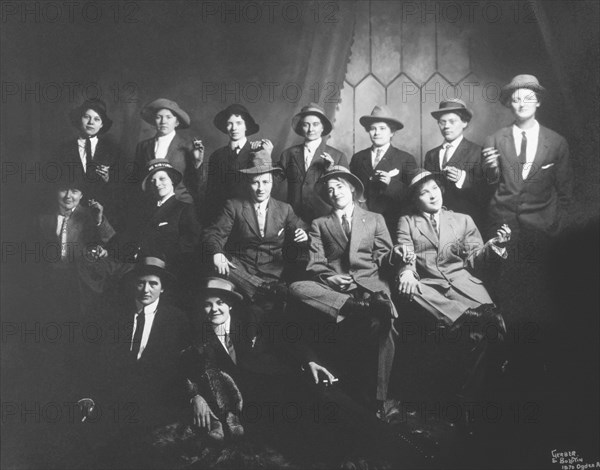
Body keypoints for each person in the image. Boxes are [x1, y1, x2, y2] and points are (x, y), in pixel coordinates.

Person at [395, 169, 510, 404]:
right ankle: (467, 316)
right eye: (424, 192)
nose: (432, 195)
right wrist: (407, 270)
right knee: (408, 288)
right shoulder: (407, 221)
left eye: (435, 189)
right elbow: (404, 251)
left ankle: (470, 398)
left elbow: (476, 259)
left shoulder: (463, 219)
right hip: (430, 287)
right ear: (415, 199)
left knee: (492, 332)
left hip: (464, 284)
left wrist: (495, 246)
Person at [289, 166, 398, 415]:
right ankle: (355, 308)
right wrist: (330, 278)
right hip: (337, 292)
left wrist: (397, 256)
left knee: (386, 325)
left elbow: (384, 257)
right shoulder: (319, 223)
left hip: (372, 287)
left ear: (351, 188)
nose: (334, 192)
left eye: (339, 186)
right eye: (329, 189)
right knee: (296, 288)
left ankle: (380, 399)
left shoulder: (374, 219)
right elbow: (315, 263)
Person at [202, 143, 308, 307]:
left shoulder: (285, 209)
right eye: (255, 182)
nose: (261, 188)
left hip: (273, 273)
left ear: (272, 182)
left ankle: (261, 289)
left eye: (265, 182)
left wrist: (304, 234)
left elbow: (304, 228)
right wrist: (217, 253)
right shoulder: (234, 205)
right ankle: (261, 288)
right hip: (241, 270)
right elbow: (212, 234)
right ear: (247, 183)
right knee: (221, 265)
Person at [482, 74, 573, 239]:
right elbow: (486, 188)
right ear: (510, 104)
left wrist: (557, 224)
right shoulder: (494, 139)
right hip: (503, 227)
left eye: (528, 99)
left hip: (544, 229)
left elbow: (565, 194)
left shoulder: (556, 142)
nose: (522, 104)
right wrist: (491, 171)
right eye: (516, 100)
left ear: (538, 102)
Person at [132, 159, 201, 295]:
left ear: (172, 181)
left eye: (162, 178)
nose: (158, 184)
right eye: (153, 181)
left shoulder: (184, 209)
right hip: (141, 269)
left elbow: (190, 245)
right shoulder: (144, 212)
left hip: (171, 271)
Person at [55, 99, 123, 228]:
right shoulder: (63, 150)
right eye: (87, 117)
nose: (91, 122)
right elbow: (57, 183)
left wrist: (109, 179)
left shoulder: (113, 150)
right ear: (79, 119)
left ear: (102, 124)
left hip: (104, 213)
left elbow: (123, 188)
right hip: (72, 213)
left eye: (97, 119)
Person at [132, 98, 206, 215]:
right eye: (158, 117)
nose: (163, 121)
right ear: (153, 121)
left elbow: (197, 185)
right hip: (150, 206)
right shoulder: (143, 147)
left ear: (177, 122)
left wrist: (197, 163)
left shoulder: (188, 146)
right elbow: (137, 179)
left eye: (168, 117)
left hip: (180, 205)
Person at [424, 99, 489, 230]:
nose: (447, 126)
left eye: (452, 121)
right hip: (436, 224)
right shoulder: (431, 155)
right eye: (442, 122)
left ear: (464, 123)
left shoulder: (478, 152)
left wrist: (462, 178)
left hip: (467, 222)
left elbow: (486, 192)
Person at [278, 103, 348, 224]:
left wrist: (330, 171)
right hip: (294, 220)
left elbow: (347, 191)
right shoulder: (288, 154)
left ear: (322, 127)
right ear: (301, 127)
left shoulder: (338, 156)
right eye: (306, 125)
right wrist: (263, 156)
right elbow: (270, 181)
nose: (311, 129)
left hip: (326, 220)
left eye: (316, 124)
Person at [350, 105, 417, 232]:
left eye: (382, 128)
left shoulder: (405, 158)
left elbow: (413, 195)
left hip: (392, 223)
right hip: (361, 223)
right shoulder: (358, 158)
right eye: (372, 129)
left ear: (392, 132)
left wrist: (390, 184)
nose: (376, 133)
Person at [205, 104, 261, 223]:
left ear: (246, 126)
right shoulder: (216, 155)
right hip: (220, 217)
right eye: (230, 123)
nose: (234, 128)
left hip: (248, 217)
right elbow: (211, 192)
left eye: (239, 123)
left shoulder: (256, 152)